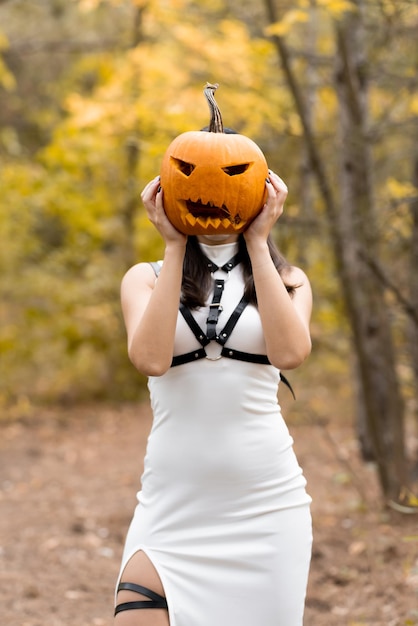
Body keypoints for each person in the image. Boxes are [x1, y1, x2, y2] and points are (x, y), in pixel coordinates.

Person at [115, 170, 313, 626]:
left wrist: (260, 242)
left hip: (267, 509)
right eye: (191, 174)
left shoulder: (289, 279)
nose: (213, 188)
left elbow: (291, 353)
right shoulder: (145, 277)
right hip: (170, 508)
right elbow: (149, 358)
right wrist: (174, 243)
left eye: (233, 175)